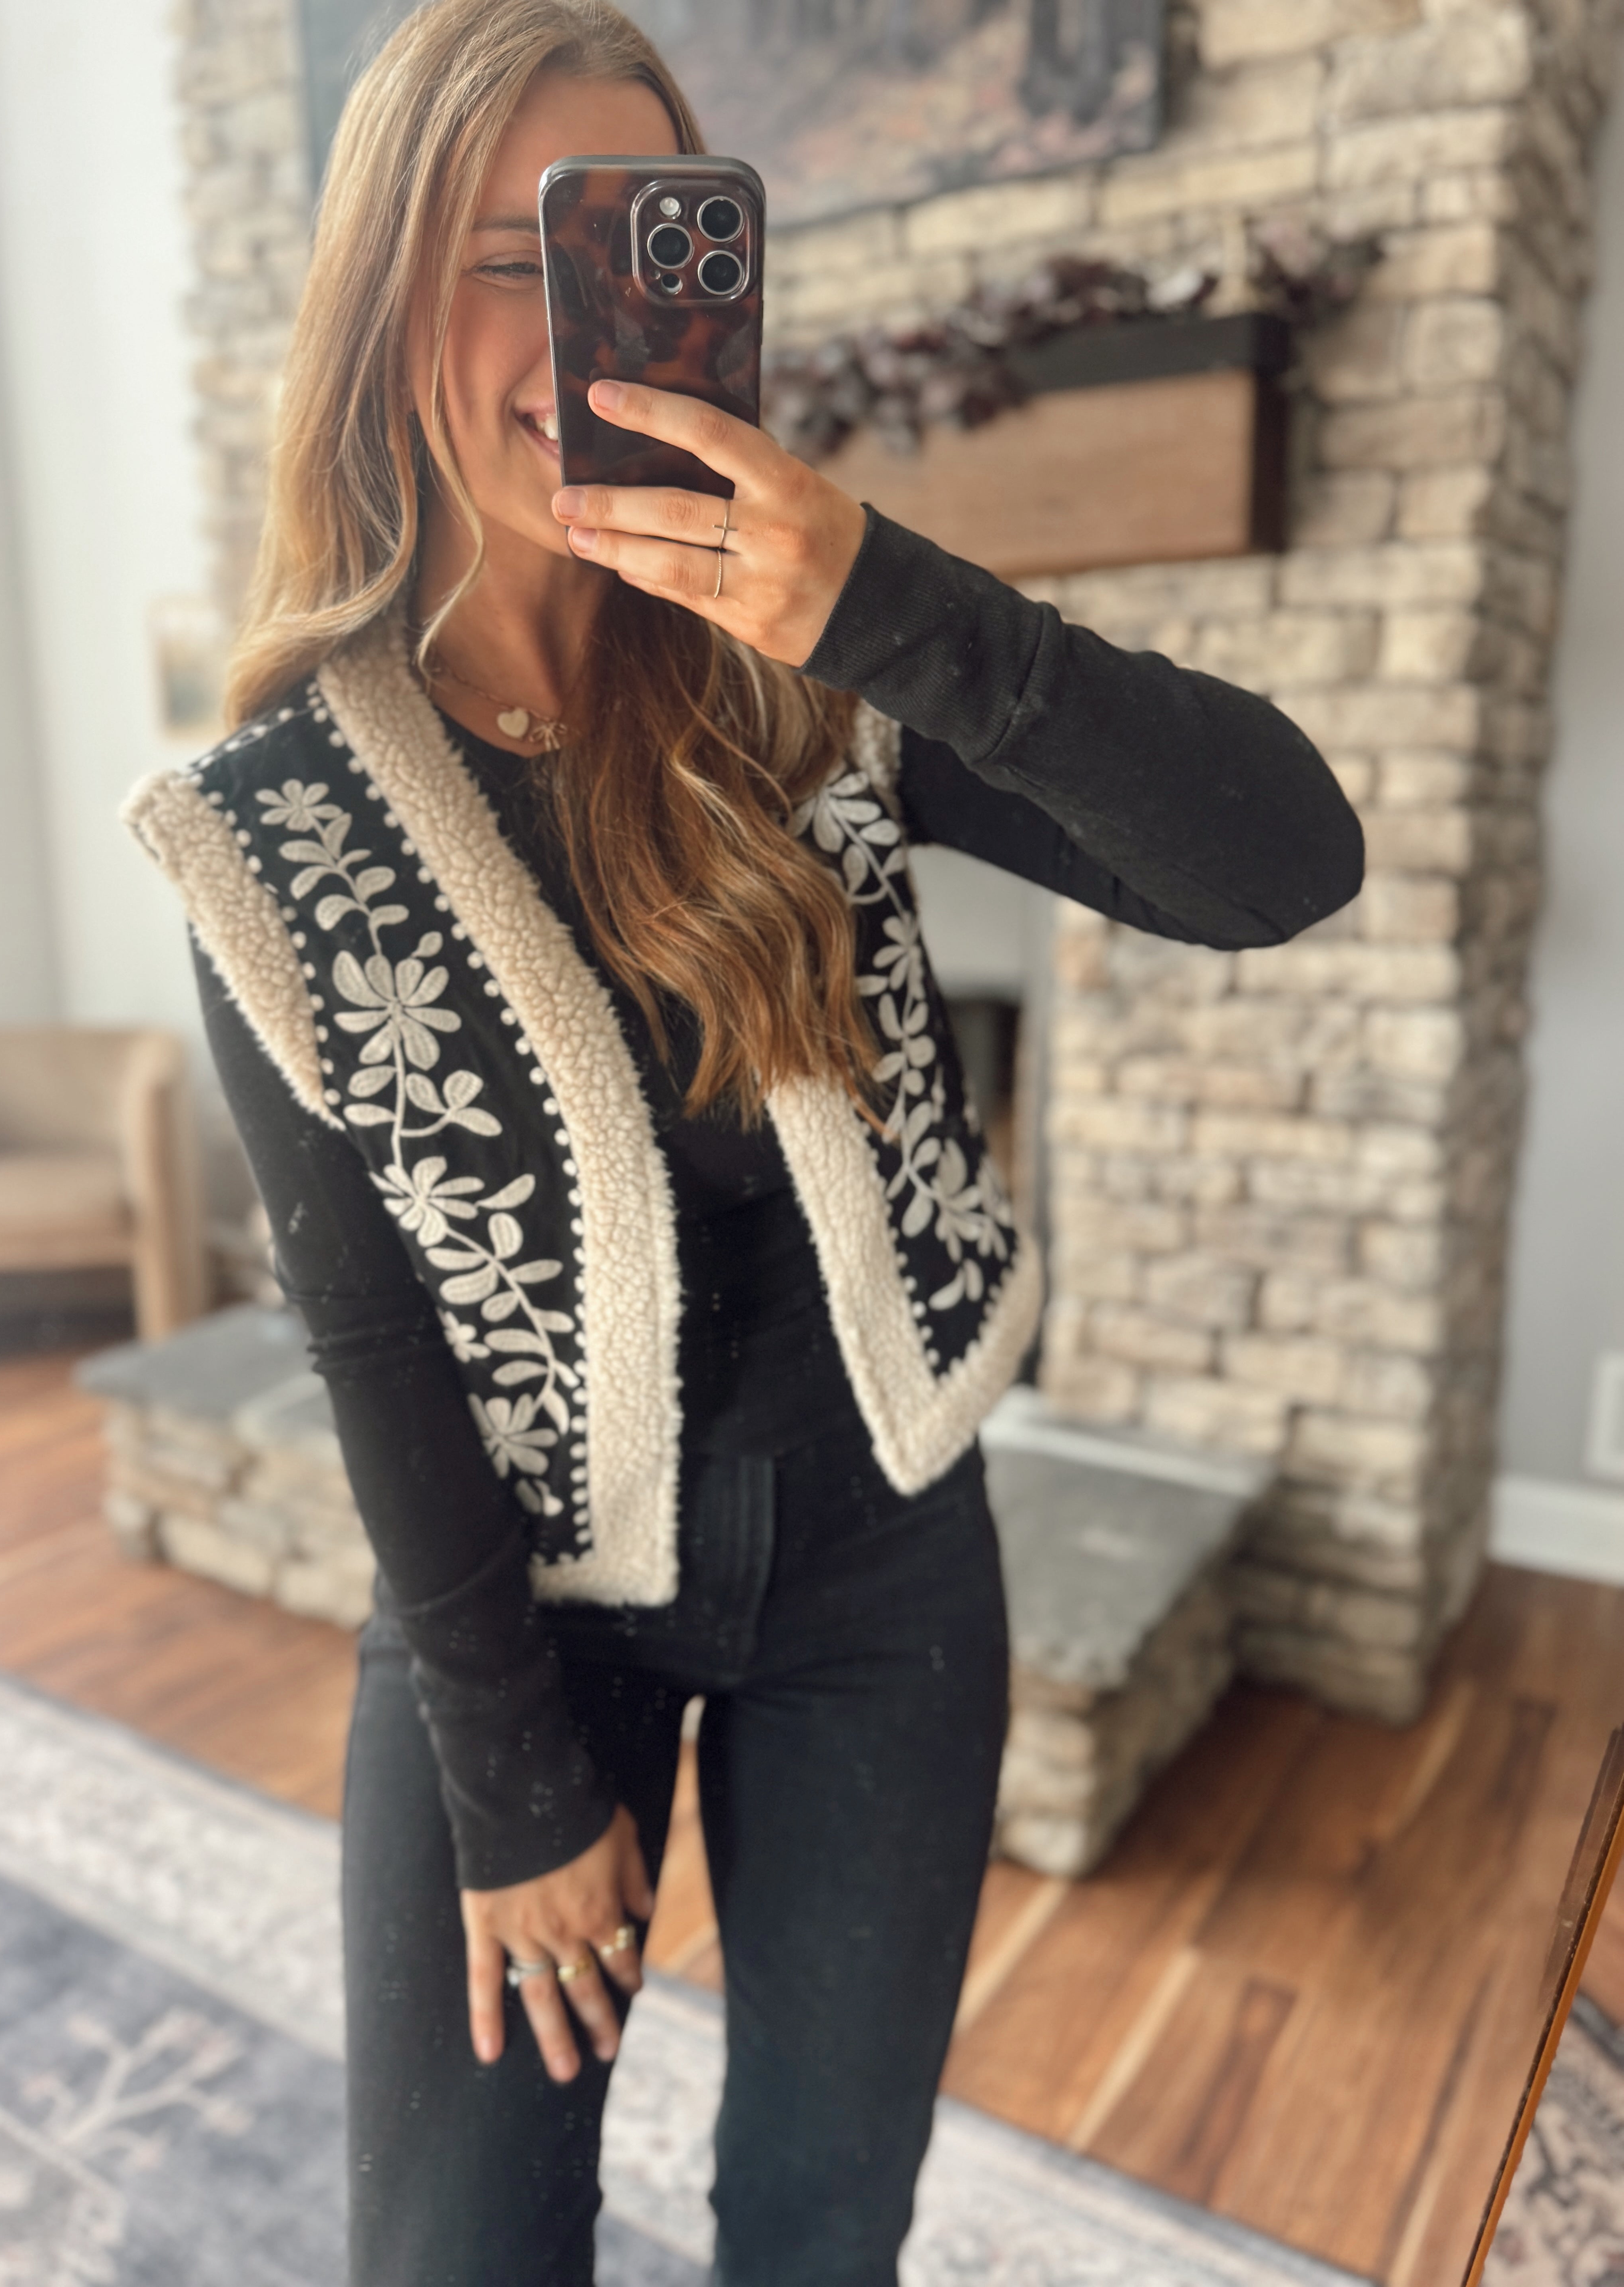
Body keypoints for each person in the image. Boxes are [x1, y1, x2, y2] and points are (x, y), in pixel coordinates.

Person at [124, 3, 1364, 2280]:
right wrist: (513, 1786)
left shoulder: (819, 665)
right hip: (517, 1610)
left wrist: (891, 604)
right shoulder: (263, 824)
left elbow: (1288, 863)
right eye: (503, 256)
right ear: (381, 299)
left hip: (887, 1569)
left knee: (820, 2227)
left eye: (628, 247)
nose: (575, 324)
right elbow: (371, 1335)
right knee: (457, 2252)